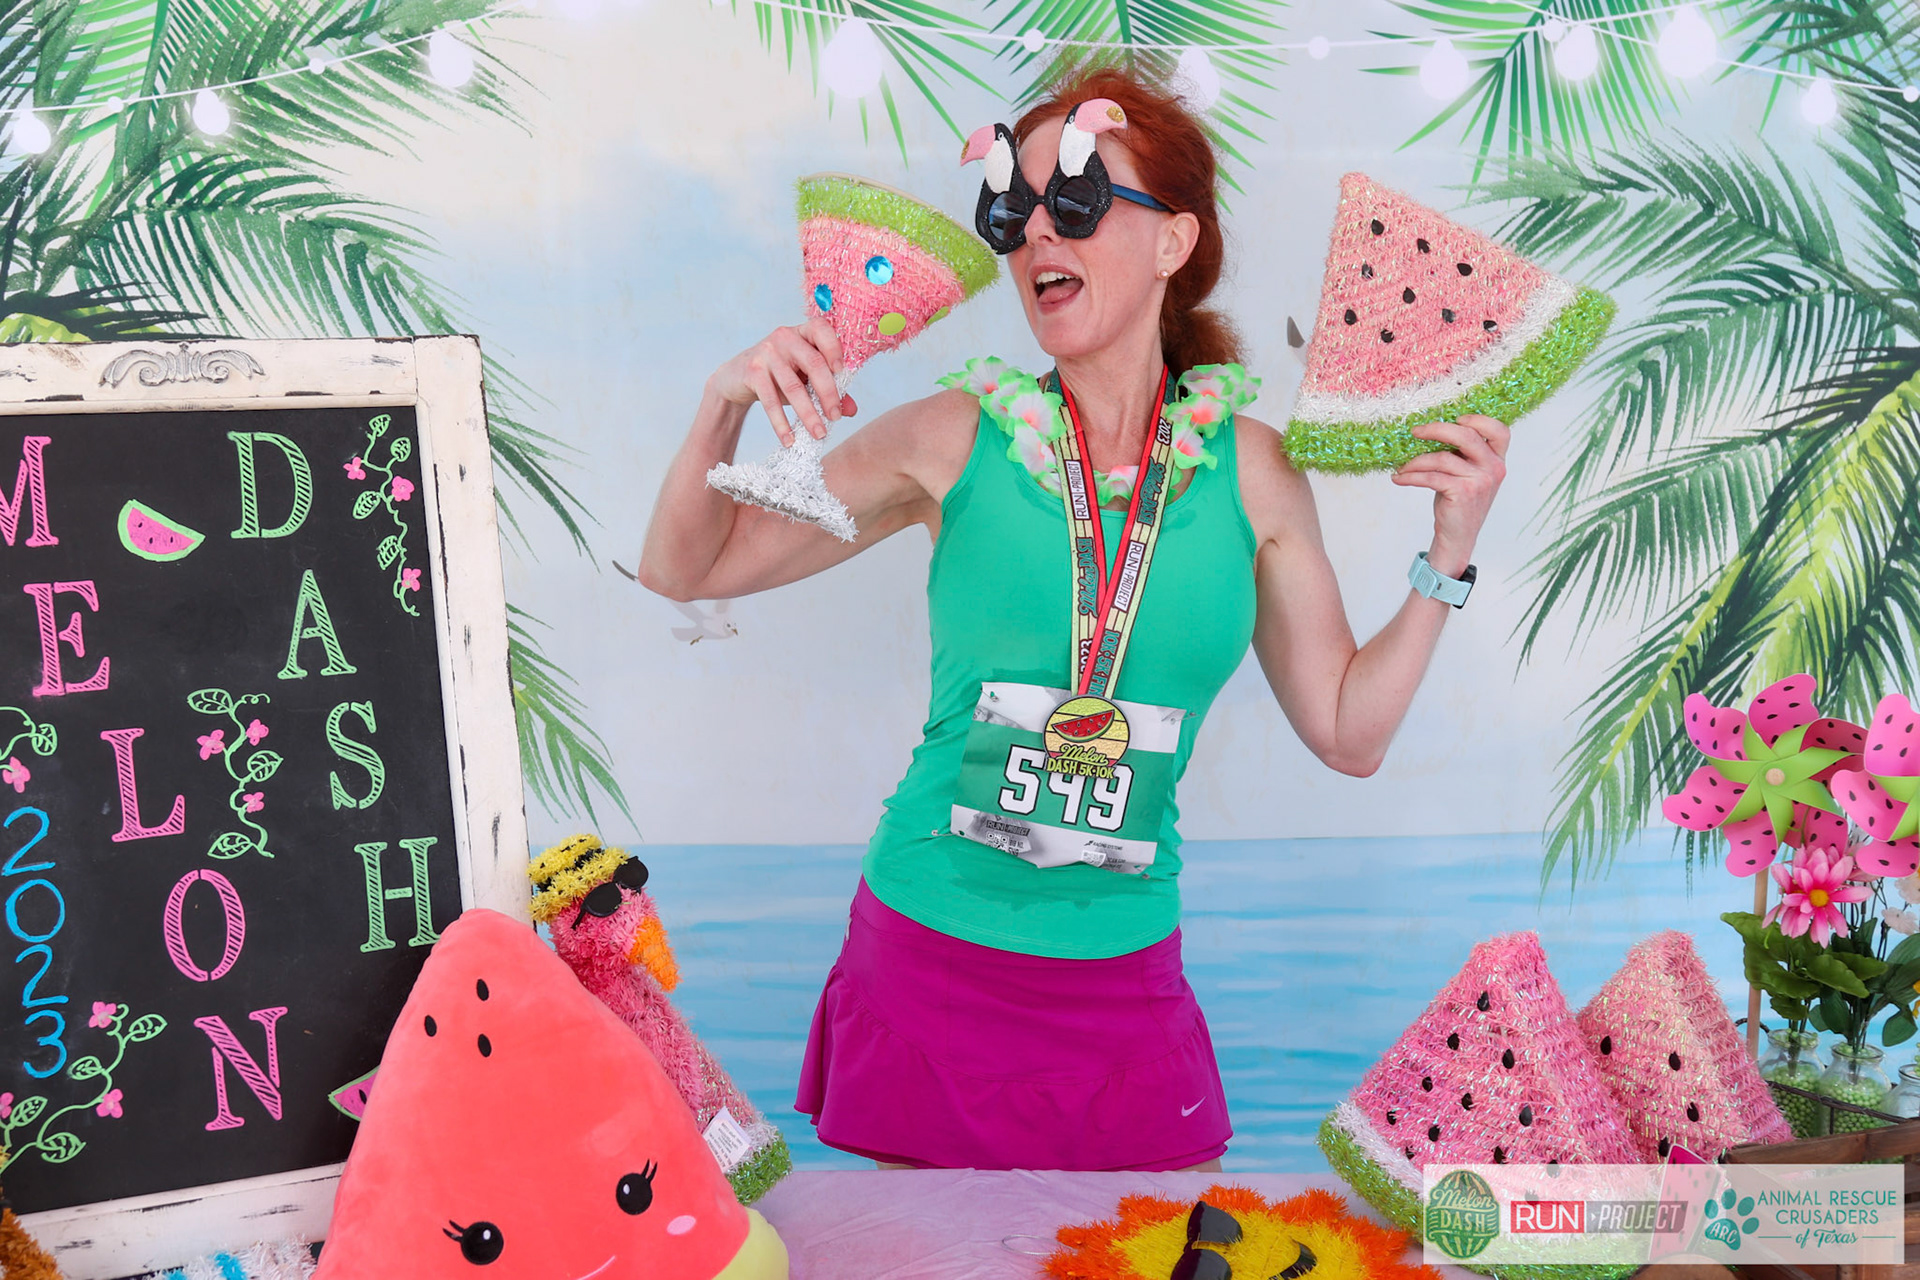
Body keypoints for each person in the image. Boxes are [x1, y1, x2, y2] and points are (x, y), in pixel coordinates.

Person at [636, 65, 1509, 1173]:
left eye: (1080, 201)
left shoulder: (1255, 473)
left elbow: (1350, 731)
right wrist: (720, 404)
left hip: (1123, 979)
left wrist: (1447, 555)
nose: (1039, 231)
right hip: (929, 951)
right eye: (1014, 211)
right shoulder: (949, 438)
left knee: (1148, 1242)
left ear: (1173, 240)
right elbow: (685, 565)